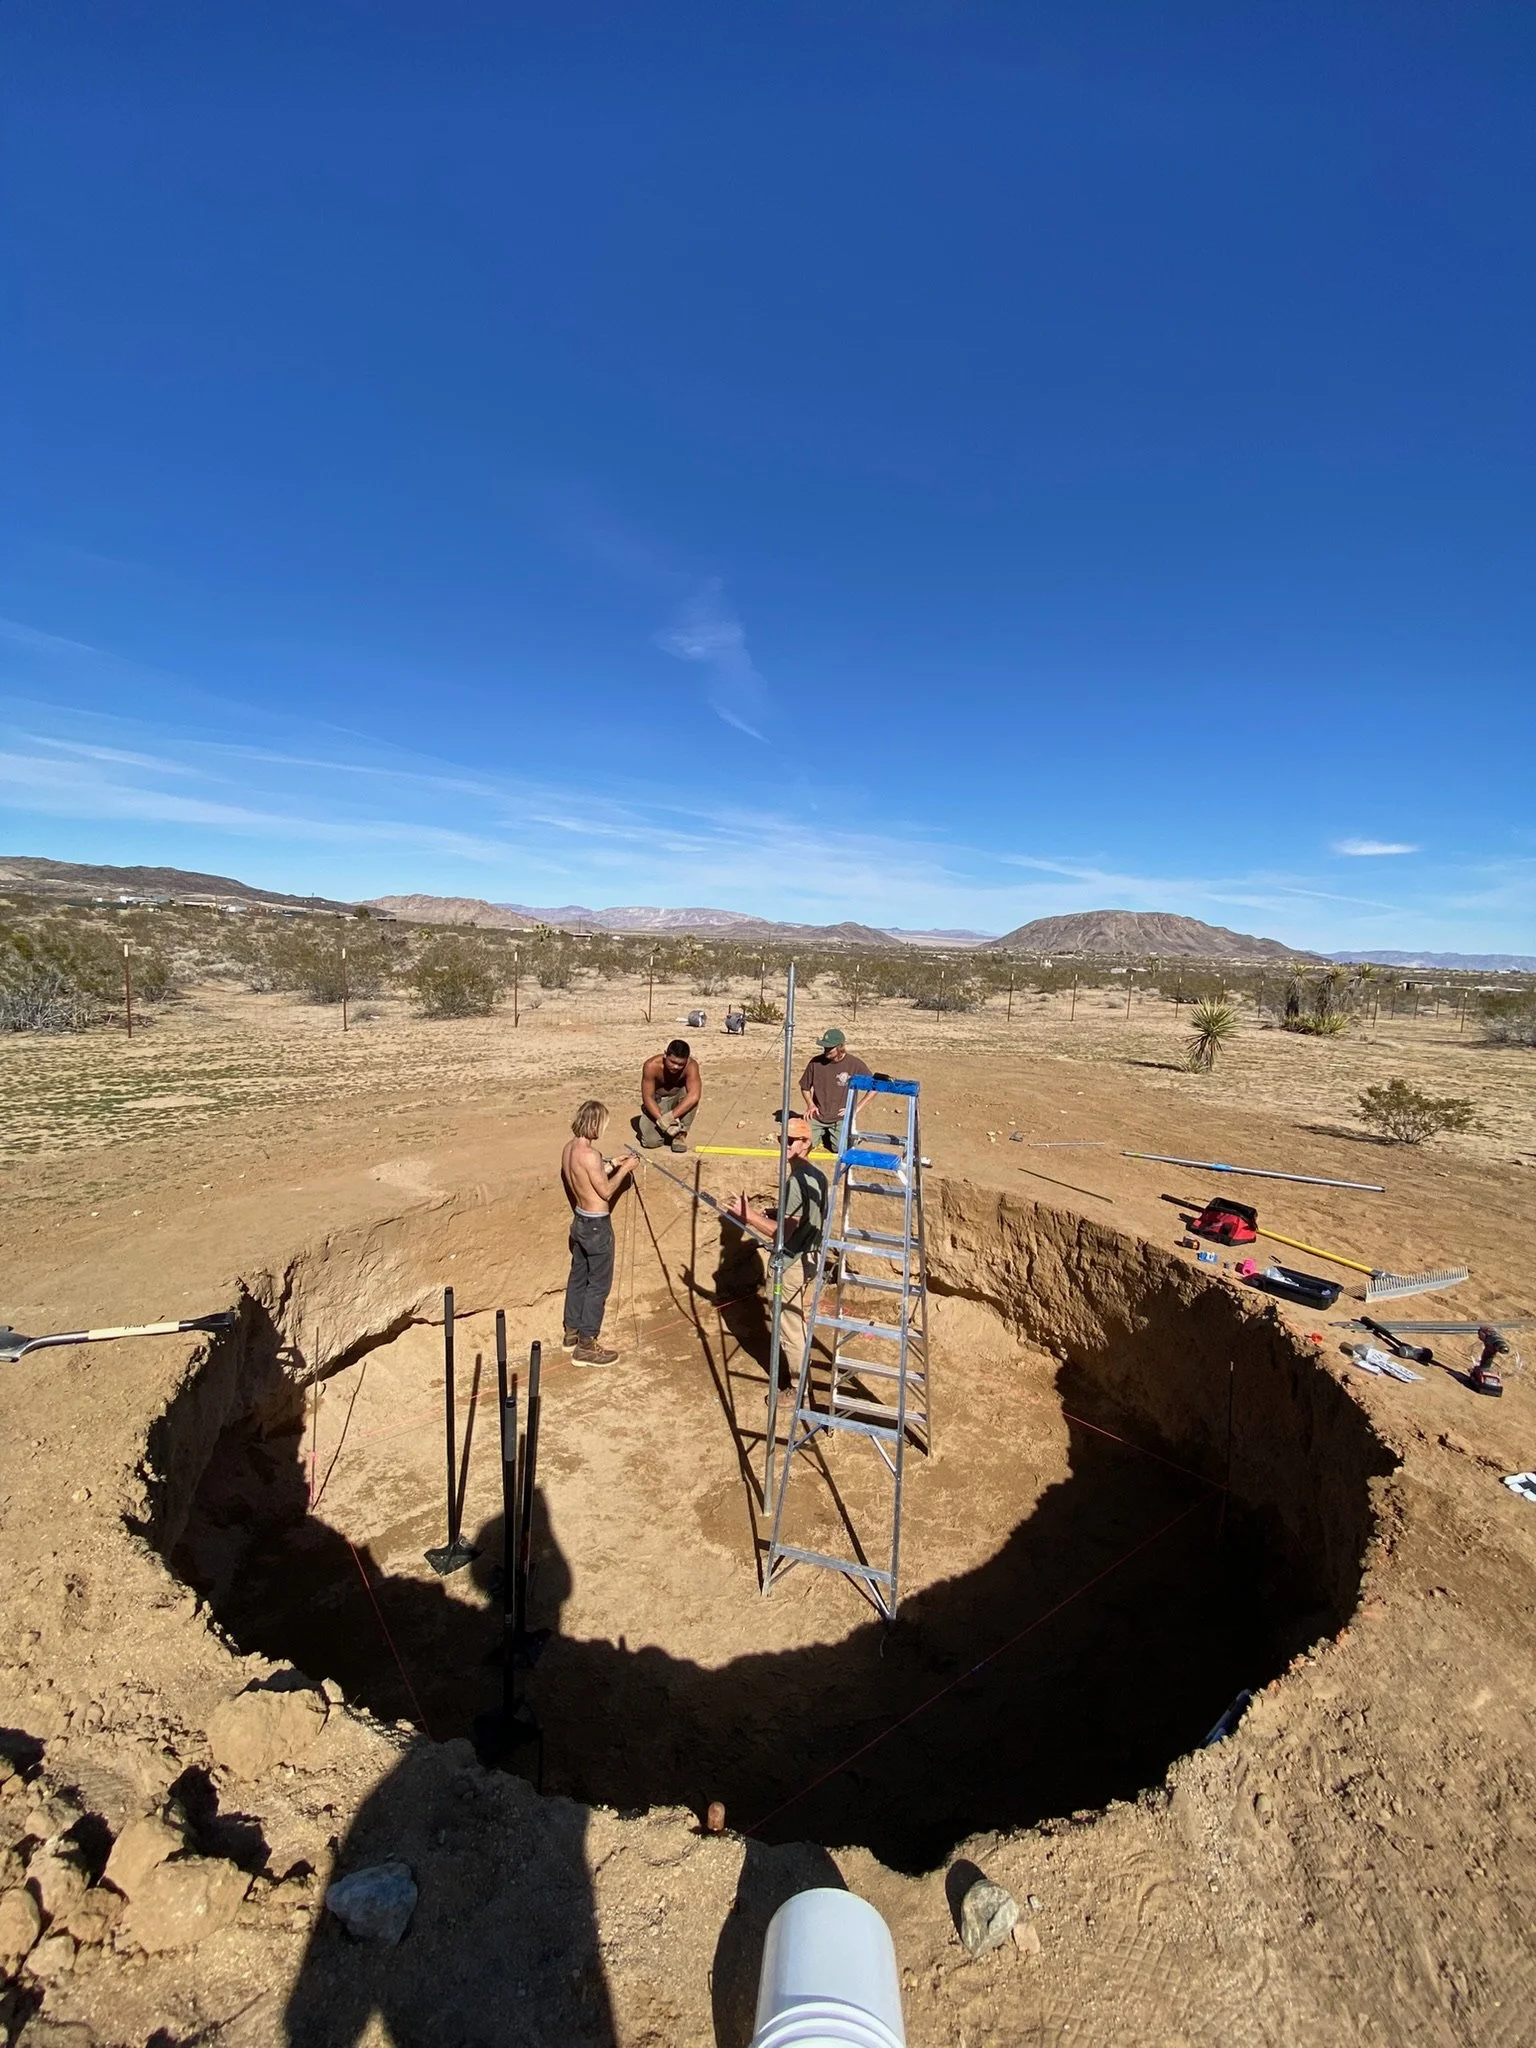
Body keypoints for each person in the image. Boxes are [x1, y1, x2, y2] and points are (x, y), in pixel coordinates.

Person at [560, 1100, 635, 1365]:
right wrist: (624, 1170)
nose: (603, 1130)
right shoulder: (590, 1155)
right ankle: (586, 1345)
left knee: (578, 1277)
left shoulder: (569, 1149)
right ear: (593, 1123)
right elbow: (604, 1191)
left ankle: (571, 1333)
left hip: (579, 1221)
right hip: (596, 1225)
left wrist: (613, 1163)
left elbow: (588, 1177)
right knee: (598, 1284)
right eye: (602, 1124)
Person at [726, 1114, 827, 1274]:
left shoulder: (796, 1182)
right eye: (782, 1140)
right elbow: (810, 1217)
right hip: (810, 1260)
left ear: (806, 1143)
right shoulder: (818, 1175)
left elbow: (783, 1235)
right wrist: (780, 1213)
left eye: (791, 1141)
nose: (785, 1145)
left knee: (782, 1300)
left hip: (790, 1265)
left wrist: (749, 1215)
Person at [799, 1027, 872, 1154]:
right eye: (824, 1047)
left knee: (840, 1149)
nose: (826, 1050)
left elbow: (874, 1087)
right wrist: (810, 1104)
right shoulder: (815, 1063)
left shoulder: (854, 1064)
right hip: (818, 1115)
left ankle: (845, 1135)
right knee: (805, 1145)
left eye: (830, 1048)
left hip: (840, 1117)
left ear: (840, 1047)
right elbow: (804, 1087)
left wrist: (855, 1109)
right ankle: (822, 1133)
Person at [636, 1039, 702, 1151]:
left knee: (689, 1093)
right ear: (665, 1055)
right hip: (658, 1103)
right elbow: (647, 1097)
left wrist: (669, 1118)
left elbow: (694, 1095)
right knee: (650, 1142)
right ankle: (668, 1130)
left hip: (677, 1102)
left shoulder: (691, 1066)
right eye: (673, 1062)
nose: (676, 1067)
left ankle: (680, 1134)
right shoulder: (651, 1066)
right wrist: (661, 1119)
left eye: (680, 1064)